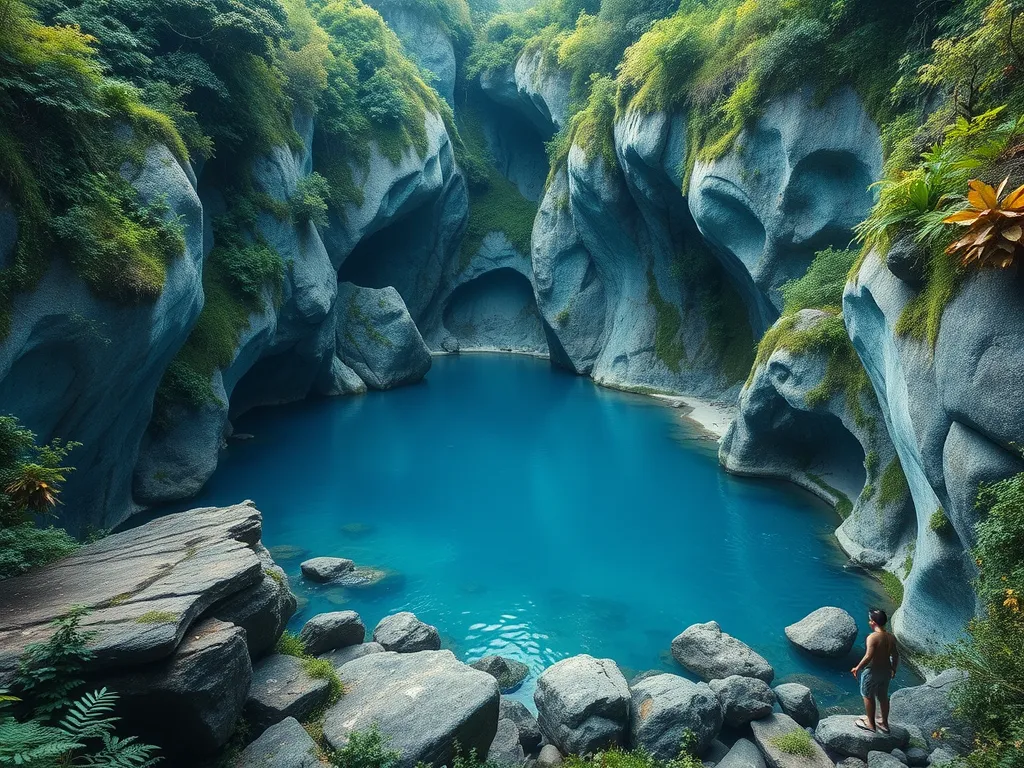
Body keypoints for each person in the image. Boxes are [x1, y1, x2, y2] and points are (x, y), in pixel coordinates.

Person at [851, 607, 899, 733]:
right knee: (883, 697)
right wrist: (893, 669)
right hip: (886, 672)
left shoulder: (872, 637)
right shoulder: (891, 637)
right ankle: (884, 724)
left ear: (873, 622)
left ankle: (871, 724)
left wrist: (857, 667)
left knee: (868, 696)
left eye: (870, 620)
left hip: (872, 671)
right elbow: (895, 655)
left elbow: (868, 656)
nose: (869, 622)